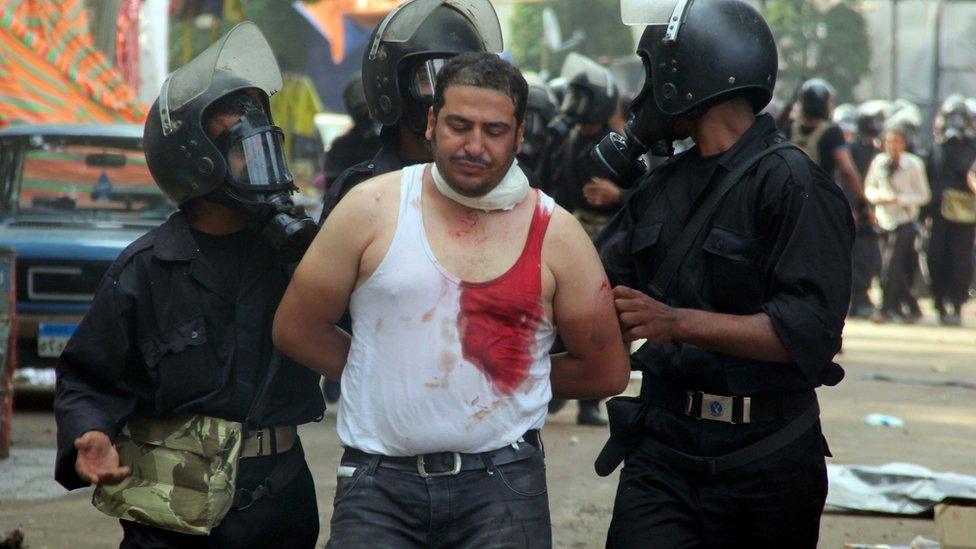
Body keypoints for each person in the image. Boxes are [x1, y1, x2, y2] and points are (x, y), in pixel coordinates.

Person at [273, 52, 630, 547]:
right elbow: (296, 327)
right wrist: (384, 371)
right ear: (431, 122)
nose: (475, 146)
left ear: (520, 135)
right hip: (378, 489)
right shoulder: (371, 207)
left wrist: (503, 377)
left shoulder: (556, 234)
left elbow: (607, 371)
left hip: (504, 487)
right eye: (459, 125)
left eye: (495, 130)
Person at [52, 23, 324, 548]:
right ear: (198, 164)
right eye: (244, 149)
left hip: (280, 501)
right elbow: (86, 377)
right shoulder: (146, 270)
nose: (260, 161)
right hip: (171, 517)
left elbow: (361, 338)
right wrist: (90, 435)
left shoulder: (297, 254)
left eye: (265, 143)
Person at [593, 1, 854, 546]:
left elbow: (808, 330)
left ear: (688, 72)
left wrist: (676, 322)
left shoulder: (792, 183)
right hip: (662, 451)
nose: (645, 95)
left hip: (767, 459)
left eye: (653, 73)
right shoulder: (662, 187)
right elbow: (590, 284)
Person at [317, 0, 504, 225]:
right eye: (430, 78)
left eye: (467, 79)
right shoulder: (358, 195)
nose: (452, 93)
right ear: (392, 85)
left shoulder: (511, 187)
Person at [543, 53, 623, 426]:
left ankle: (591, 401)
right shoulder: (568, 140)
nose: (577, 106)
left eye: (584, 97)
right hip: (572, 235)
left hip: (609, 239)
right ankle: (558, 388)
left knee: (599, 320)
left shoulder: (618, 145)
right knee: (558, 314)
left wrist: (618, 195)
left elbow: (650, 194)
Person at [865, 126, 932, 323]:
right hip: (884, 219)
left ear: (904, 144)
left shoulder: (914, 165)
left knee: (890, 264)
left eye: (897, 142)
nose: (892, 146)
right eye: (889, 141)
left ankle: (884, 309)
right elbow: (869, 187)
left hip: (904, 220)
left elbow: (924, 195)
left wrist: (899, 199)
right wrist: (880, 198)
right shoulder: (879, 163)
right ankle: (912, 306)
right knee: (889, 267)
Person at [927, 95, 976, 326]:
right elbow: (931, 178)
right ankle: (938, 300)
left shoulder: (973, 148)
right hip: (938, 212)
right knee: (936, 257)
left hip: (965, 213)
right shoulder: (937, 147)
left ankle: (956, 303)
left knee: (961, 258)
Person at [847, 101, 887, 317]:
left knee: (871, 255)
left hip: (875, 209)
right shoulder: (852, 149)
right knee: (856, 254)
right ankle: (856, 299)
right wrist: (852, 207)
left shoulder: (880, 150)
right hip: (857, 208)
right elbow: (846, 179)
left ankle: (864, 296)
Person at [323, 76, 382, 190]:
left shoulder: (397, 140)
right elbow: (334, 189)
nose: (369, 115)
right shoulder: (342, 147)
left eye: (372, 108)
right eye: (363, 110)